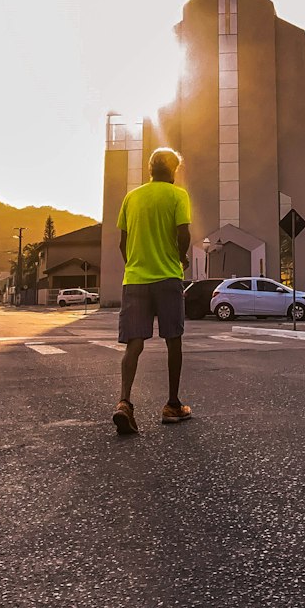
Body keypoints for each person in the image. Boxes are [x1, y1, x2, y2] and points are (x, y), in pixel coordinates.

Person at [112, 147, 192, 435]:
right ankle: (172, 405)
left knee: (134, 344)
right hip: (168, 277)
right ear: (173, 170)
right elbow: (183, 234)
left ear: (149, 168)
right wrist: (180, 259)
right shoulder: (177, 195)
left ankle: (124, 402)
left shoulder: (131, 197)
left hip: (134, 279)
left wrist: (135, 265)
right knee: (173, 340)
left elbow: (123, 242)